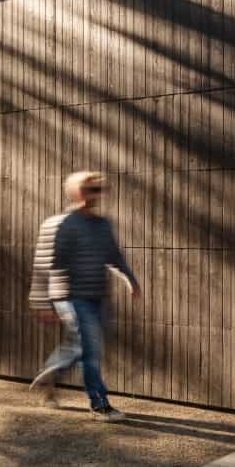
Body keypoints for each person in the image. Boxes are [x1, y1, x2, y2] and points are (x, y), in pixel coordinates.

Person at [29, 170, 140, 419]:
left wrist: (130, 280)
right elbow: (43, 266)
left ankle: (51, 375)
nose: (96, 194)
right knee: (91, 349)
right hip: (69, 296)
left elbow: (113, 256)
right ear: (75, 192)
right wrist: (41, 302)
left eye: (99, 189)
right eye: (90, 189)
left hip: (98, 296)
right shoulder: (59, 224)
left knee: (82, 346)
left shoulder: (103, 225)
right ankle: (99, 404)